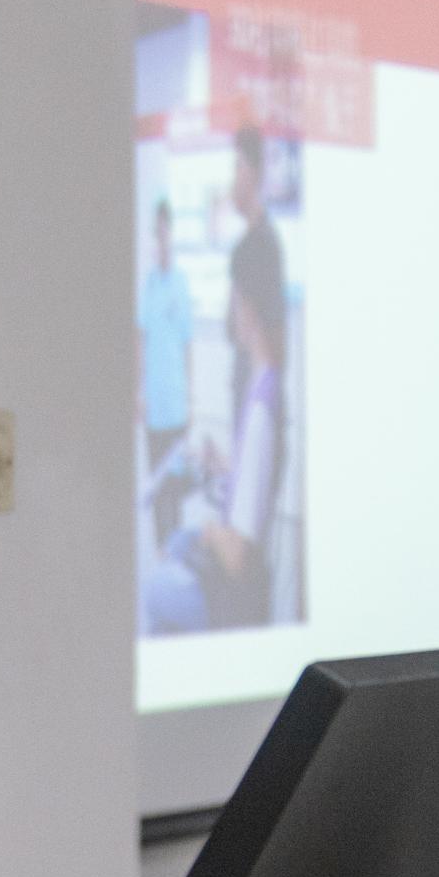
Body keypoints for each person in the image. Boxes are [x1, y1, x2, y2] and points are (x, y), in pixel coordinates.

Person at [141, 221, 291, 634]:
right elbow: (253, 488)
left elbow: (239, 555)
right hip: (235, 571)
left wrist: (210, 532)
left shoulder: (260, 412)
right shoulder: (266, 387)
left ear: (246, 303)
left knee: (155, 589)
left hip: (232, 592)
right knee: (175, 544)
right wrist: (226, 466)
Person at [137, 197, 193, 541]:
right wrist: (138, 392)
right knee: (158, 485)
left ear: (172, 233)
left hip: (176, 402)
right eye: (156, 234)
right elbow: (140, 339)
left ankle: (176, 546)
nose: (161, 240)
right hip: (154, 404)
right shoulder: (149, 285)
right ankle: (162, 549)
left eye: (165, 232)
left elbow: (187, 345)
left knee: (177, 485)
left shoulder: (181, 284)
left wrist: (191, 398)